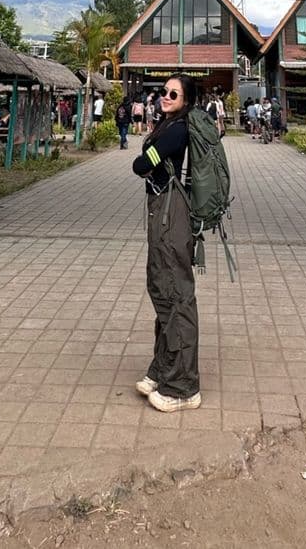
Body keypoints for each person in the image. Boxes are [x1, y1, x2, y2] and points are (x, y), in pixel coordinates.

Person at [131, 74, 201, 412]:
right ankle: (163, 368)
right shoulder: (168, 124)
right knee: (160, 285)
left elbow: (142, 164)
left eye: (174, 93)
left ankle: (184, 386)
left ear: (186, 99)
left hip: (171, 212)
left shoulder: (177, 129)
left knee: (175, 292)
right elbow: (145, 163)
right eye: (163, 91)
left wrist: (145, 163)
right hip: (160, 208)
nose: (165, 96)